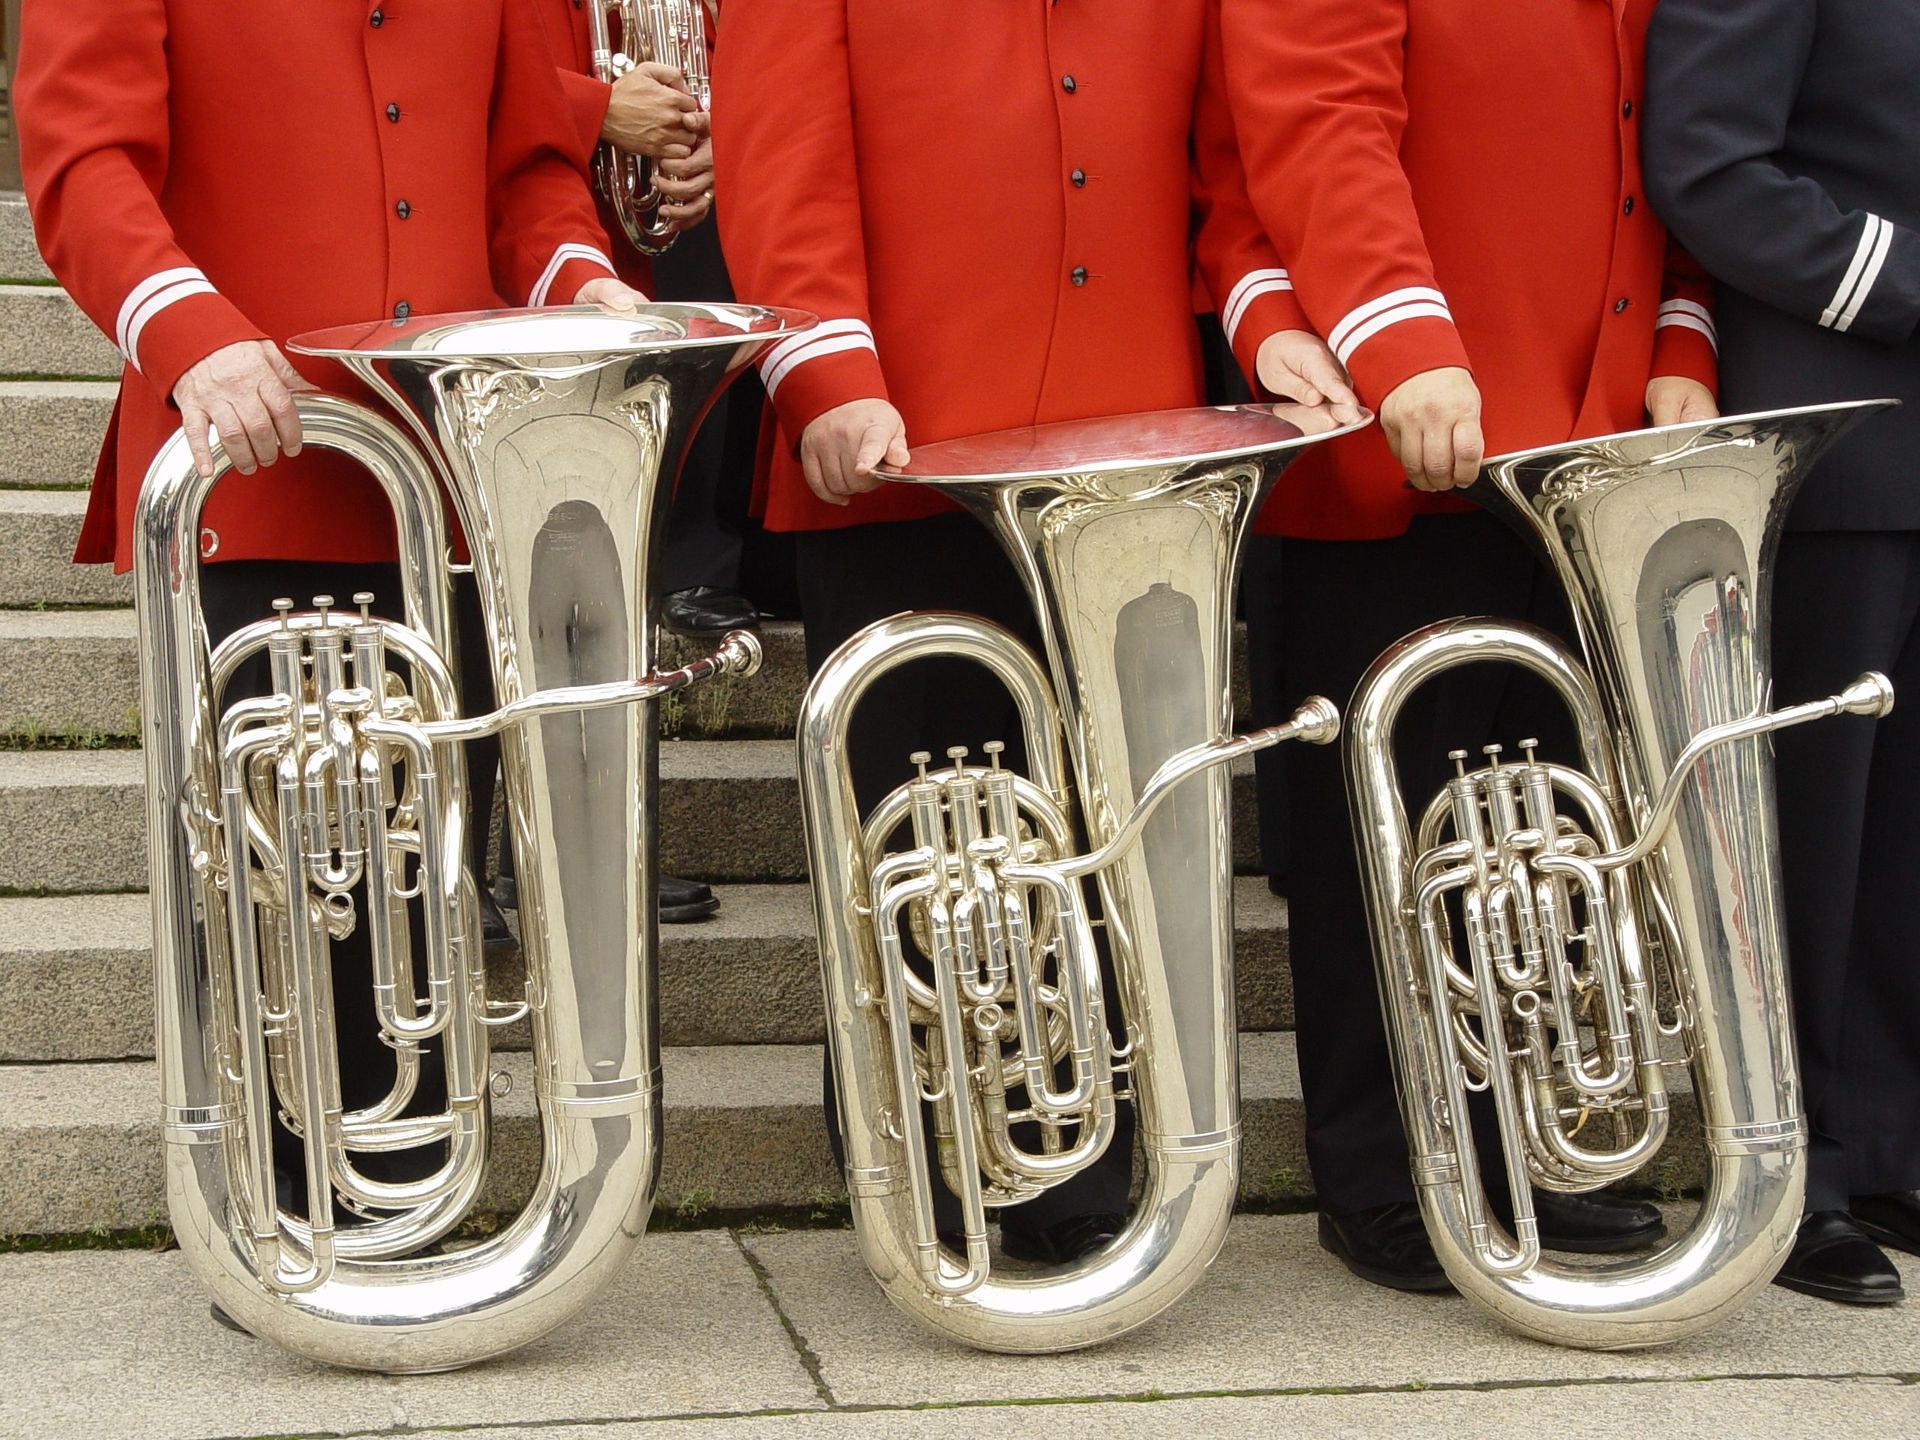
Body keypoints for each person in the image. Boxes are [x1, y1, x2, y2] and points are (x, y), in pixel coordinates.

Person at [15, 0, 641, 1325]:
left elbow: (529, 179)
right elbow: (82, 160)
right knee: (291, 885)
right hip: (254, 460)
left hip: (452, 467)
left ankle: (409, 1190)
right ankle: (295, 1211)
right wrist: (192, 336)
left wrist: (589, 290)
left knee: (430, 866)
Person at [714, 0, 1353, 1262]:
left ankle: (1083, 1168)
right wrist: (828, 378)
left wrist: (1271, 333)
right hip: (905, 439)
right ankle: (930, 1164)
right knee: (924, 823)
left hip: (1126, 449)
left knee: (1099, 822)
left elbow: (1226, 182)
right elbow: (780, 162)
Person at [1221, 0, 1719, 1290]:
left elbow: (1668, 141)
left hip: (1587, 435)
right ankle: (1386, 1171)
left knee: (1544, 834)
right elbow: (1321, 130)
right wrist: (1403, 347)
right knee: (1384, 840)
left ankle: (1520, 1147)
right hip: (1417, 422)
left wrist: (1680, 340)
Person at [1644, 0, 1920, 1309]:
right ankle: (1791, 1178)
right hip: (1840, 427)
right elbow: (1707, 164)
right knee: (1809, 846)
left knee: (1907, 846)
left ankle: (1886, 1145)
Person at [527, 0, 727, 923]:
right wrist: (591, 107)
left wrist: (708, 136)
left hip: (623, 268)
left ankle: (612, 845)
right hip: (515, 264)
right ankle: (512, 852)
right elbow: (457, 86)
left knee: (619, 568)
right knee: (528, 582)